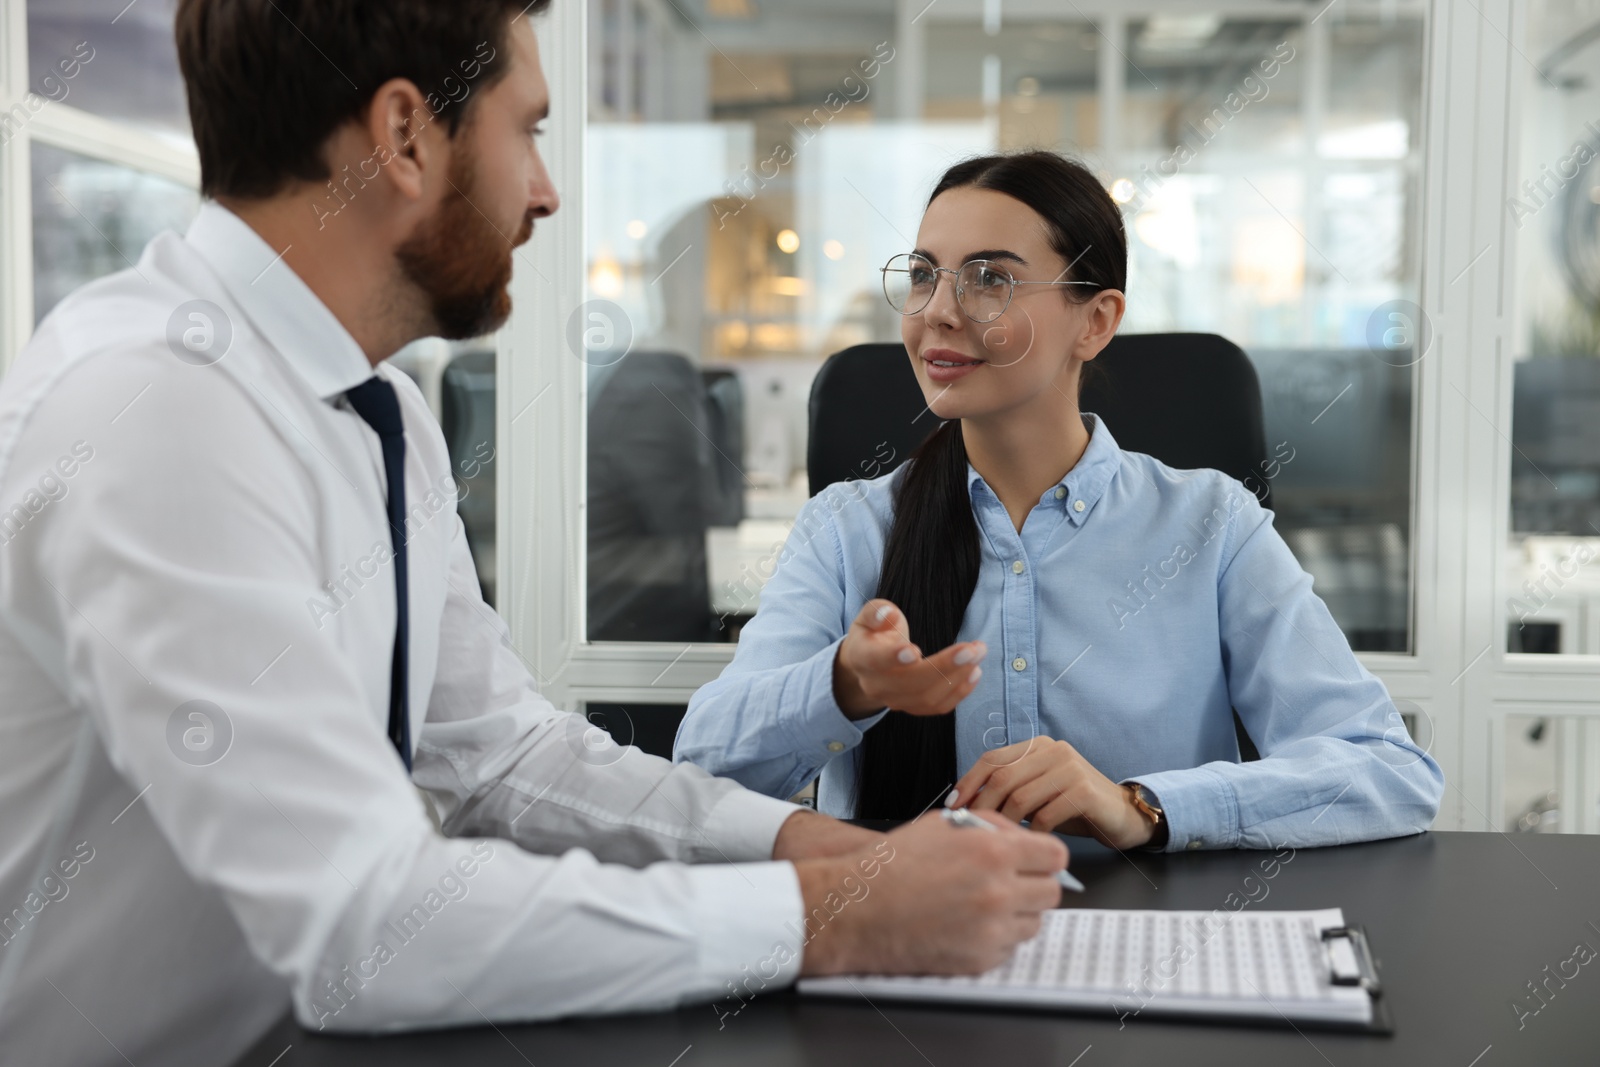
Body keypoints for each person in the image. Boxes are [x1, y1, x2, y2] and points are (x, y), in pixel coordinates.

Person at [0, 5, 1070, 1065]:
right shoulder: (157, 408)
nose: (547, 191)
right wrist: (831, 910)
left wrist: (805, 842)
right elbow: (363, 925)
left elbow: (501, 755)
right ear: (405, 137)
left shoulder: (371, 411)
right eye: (530, 131)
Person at [675, 151, 1444, 849]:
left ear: (1096, 320)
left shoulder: (1212, 527)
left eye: (990, 278)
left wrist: (1139, 805)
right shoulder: (848, 530)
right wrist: (841, 686)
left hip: (1151, 959)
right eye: (923, 273)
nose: (938, 310)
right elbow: (700, 778)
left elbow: (1386, 771)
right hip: (906, 953)